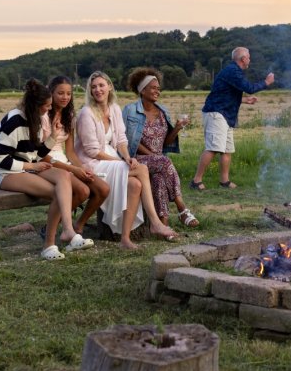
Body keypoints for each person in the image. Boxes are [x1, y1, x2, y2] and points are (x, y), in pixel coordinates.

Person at [75, 71, 178, 250]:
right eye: (93, 87)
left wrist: (128, 158)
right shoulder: (86, 113)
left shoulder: (114, 109)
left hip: (112, 159)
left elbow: (122, 140)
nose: (98, 90)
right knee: (143, 170)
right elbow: (92, 151)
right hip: (92, 163)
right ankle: (155, 222)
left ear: (109, 87)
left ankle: (125, 238)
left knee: (135, 185)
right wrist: (119, 162)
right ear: (90, 91)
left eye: (101, 85)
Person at [0, 78, 94, 261]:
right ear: (35, 105)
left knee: (64, 175)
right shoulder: (14, 120)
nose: (49, 109)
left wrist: (53, 137)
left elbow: (38, 153)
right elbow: (0, 160)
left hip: (29, 169)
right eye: (46, 106)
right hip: (9, 173)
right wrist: (31, 165)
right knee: (59, 192)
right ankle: (50, 244)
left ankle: (68, 231)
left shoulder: (37, 119)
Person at [123, 67, 199, 228]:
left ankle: (163, 224)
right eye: (153, 88)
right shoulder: (130, 110)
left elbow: (165, 143)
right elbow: (128, 140)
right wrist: (153, 155)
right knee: (164, 162)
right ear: (142, 90)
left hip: (159, 161)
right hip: (138, 159)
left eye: (159, 88)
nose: (158, 91)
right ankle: (182, 209)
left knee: (159, 179)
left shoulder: (163, 111)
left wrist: (177, 128)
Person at [190, 47, 275, 190]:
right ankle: (196, 181)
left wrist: (244, 100)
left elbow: (225, 93)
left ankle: (225, 181)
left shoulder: (233, 71)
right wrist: (266, 82)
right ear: (242, 59)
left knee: (227, 149)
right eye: (248, 57)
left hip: (225, 115)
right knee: (213, 148)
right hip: (216, 113)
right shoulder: (233, 71)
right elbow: (249, 87)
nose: (250, 59)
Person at [41, 75, 110, 236]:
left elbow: (70, 151)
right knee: (83, 191)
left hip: (65, 161)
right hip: (47, 162)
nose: (65, 97)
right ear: (51, 93)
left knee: (103, 189)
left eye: (68, 93)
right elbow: (41, 155)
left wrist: (81, 168)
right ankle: (52, 227)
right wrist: (73, 170)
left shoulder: (69, 116)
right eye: (60, 93)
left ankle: (79, 225)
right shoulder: (43, 116)